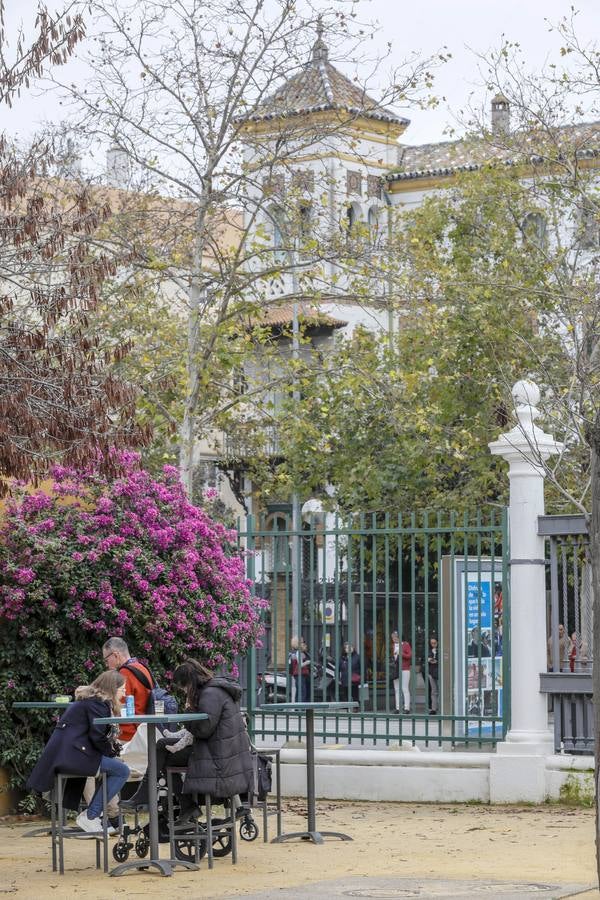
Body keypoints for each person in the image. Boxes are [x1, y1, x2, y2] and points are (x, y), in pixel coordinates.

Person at [122, 658, 253, 822]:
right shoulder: (215, 690)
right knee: (163, 753)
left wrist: (189, 711)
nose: (184, 691)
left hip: (216, 754)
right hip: (223, 750)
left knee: (161, 748)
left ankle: (155, 798)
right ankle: (184, 805)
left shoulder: (209, 694)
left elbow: (203, 730)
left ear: (189, 682)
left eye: (183, 687)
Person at [26, 670, 129, 834]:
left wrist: (110, 753)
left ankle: (97, 815)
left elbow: (95, 736)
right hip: (72, 756)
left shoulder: (91, 701)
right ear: (112, 688)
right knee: (122, 770)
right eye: (122, 689)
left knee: (116, 767)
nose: (124, 692)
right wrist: (111, 752)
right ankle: (91, 816)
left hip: (69, 754)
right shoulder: (98, 704)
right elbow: (98, 736)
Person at [102, 637, 153, 742]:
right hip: (143, 729)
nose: (106, 665)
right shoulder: (142, 667)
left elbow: (119, 706)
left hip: (128, 735)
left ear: (116, 655)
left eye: (106, 660)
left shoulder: (125, 673)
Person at [392, 631, 412, 714]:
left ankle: (407, 708)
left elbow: (409, 655)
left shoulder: (406, 644)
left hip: (404, 669)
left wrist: (401, 653)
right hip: (396, 669)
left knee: (404, 688)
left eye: (395, 637)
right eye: (392, 637)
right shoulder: (393, 646)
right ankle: (398, 707)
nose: (393, 639)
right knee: (397, 689)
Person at [288, 636, 311, 702]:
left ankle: (299, 707)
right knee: (302, 691)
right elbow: (300, 665)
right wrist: (307, 662)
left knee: (301, 691)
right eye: (302, 642)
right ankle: (301, 708)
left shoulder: (301, 652)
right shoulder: (298, 653)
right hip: (300, 674)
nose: (304, 643)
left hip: (302, 674)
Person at [426, 636, 439, 714]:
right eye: (431, 643)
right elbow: (425, 659)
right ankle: (434, 708)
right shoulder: (428, 650)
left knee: (441, 690)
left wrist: (437, 660)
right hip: (431, 672)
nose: (433, 644)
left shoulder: (440, 649)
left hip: (439, 671)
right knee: (433, 691)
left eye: (434, 643)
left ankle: (441, 707)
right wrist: (430, 659)